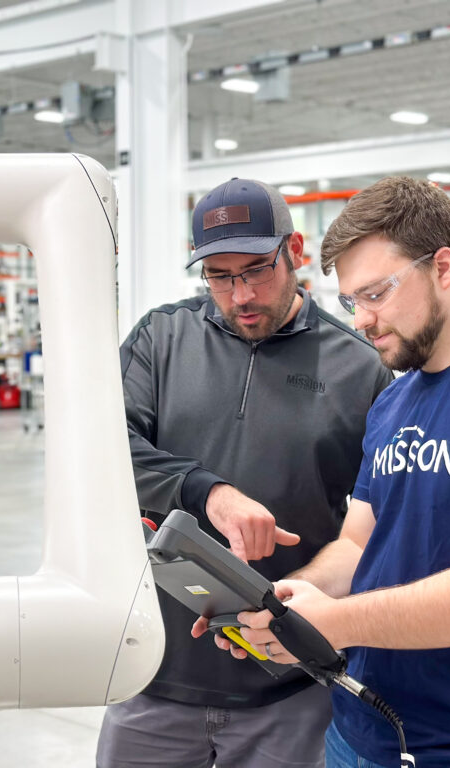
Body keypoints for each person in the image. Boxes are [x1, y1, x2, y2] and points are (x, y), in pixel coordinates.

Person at [219, 177, 450, 768]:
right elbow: (358, 542)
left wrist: (338, 623)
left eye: (376, 293)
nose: (363, 320)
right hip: (358, 728)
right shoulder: (394, 402)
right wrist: (295, 600)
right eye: (351, 301)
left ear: (443, 267)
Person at [97, 178, 393, 768]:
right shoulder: (162, 339)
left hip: (288, 690)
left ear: (296, 251)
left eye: (258, 270)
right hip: (151, 676)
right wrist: (209, 494)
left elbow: (379, 523)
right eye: (220, 276)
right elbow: (103, 449)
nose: (241, 294)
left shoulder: (360, 366)